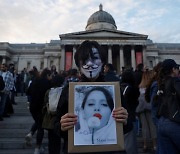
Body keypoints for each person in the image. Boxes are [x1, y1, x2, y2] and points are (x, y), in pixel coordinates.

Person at [54, 40, 129, 154]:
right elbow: (56, 125)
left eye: (94, 58)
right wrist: (62, 125)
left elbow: (126, 127)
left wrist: (125, 120)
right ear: (78, 65)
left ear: (103, 62)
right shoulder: (69, 90)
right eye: (84, 59)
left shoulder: (114, 90)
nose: (89, 63)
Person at [156, 59, 180, 154]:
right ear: (173, 69)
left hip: (162, 122)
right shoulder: (175, 81)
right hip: (174, 121)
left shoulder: (161, 83)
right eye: (177, 68)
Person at [42, 74, 64, 154]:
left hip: (49, 119)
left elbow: (45, 103)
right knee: (57, 140)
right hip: (59, 119)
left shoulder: (49, 91)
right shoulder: (63, 91)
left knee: (51, 140)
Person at [136, 70, 157, 152]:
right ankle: (154, 145)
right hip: (150, 107)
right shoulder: (151, 86)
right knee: (152, 126)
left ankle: (145, 145)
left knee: (144, 127)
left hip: (141, 108)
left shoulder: (140, 86)